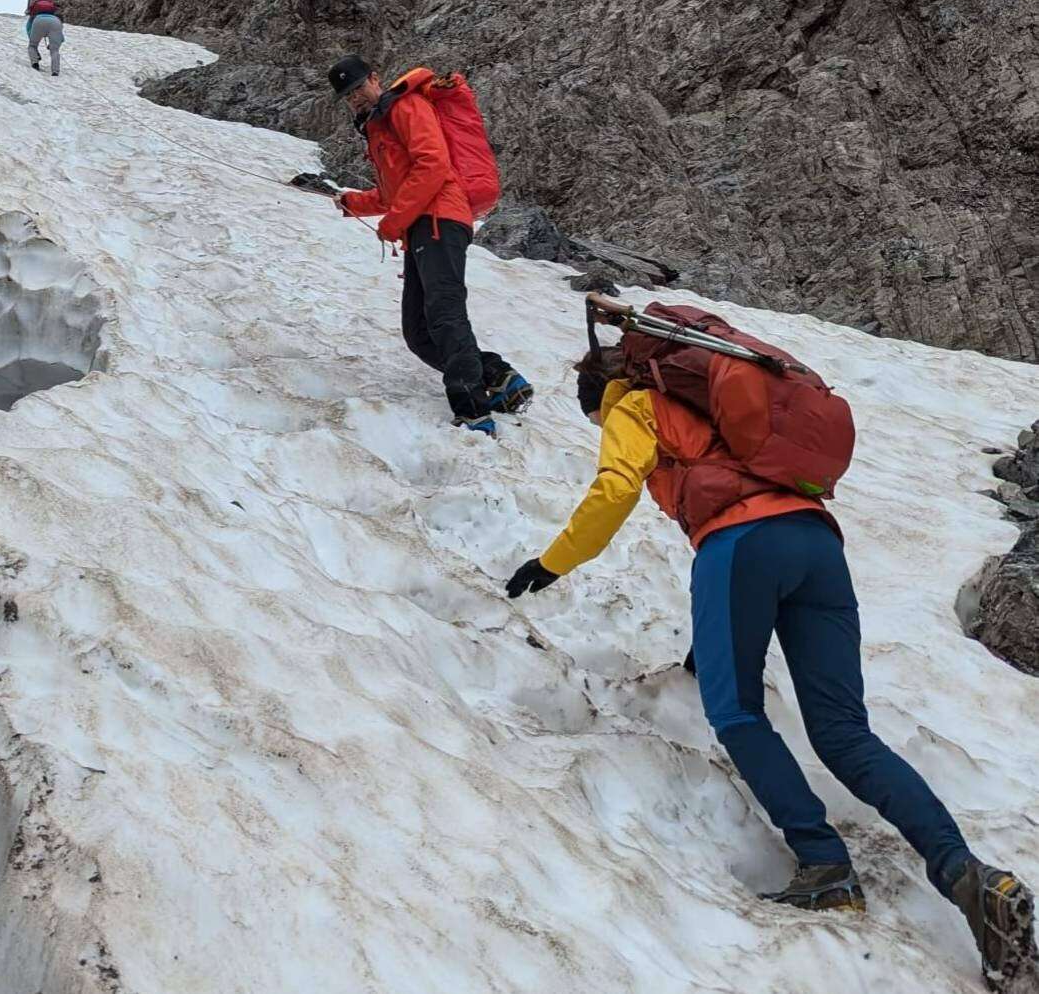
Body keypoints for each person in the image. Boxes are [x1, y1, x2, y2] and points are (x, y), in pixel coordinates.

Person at [506, 341, 1037, 988]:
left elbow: (616, 487)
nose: (597, 429)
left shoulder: (633, 407)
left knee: (736, 713)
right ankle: (972, 877)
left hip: (741, 543)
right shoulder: (722, 415)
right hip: (817, 543)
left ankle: (825, 865)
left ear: (600, 396)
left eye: (592, 418)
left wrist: (553, 561)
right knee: (844, 732)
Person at [327, 55, 530, 437]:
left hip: (439, 221)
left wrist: (394, 222)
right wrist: (353, 203)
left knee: (444, 315)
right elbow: (395, 192)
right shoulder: (380, 125)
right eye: (348, 94)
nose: (354, 98)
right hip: (423, 226)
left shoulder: (406, 105)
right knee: (419, 333)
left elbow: (432, 166)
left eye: (357, 87)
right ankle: (500, 378)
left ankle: (473, 413)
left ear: (375, 78)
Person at [24, 0, 64, 77]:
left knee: (32, 46)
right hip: (55, 22)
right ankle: (55, 72)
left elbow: (28, 28)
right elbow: (60, 32)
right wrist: (57, 42)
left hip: (38, 21)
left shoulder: (34, 11)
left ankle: (35, 63)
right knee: (55, 51)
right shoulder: (53, 10)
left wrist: (32, 38)